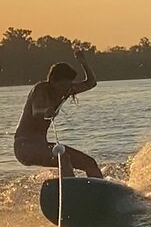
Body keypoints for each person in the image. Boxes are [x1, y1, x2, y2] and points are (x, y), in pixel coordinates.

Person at [13, 49, 103, 178]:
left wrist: (84, 63)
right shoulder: (41, 89)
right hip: (25, 147)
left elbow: (91, 83)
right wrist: (46, 111)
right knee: (64, 158)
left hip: (42, 146)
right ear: (52, 81)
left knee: (89, 162)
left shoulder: (66, 90)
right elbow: (36, 111)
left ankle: (98, 193)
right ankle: (69, 192)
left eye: (68, 85)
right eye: (62, 86)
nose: (65, 90)